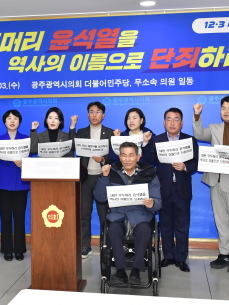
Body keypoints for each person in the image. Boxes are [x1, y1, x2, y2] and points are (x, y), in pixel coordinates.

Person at [94, 142, 162, 285]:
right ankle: (120, 270)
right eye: (124, 155)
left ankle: (136, 271)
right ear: (119, 157)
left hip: (140, 216)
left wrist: (152, 204)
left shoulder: (150, 175)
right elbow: (100, 198)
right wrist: (104, 177)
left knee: (145, 229)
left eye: (131, 155)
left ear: (138, 157)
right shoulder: (111, 173)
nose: (127, 159)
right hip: (117, 215)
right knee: (113, 229)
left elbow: (158, 202)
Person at [193, 96, 229, 273]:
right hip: (215, 180)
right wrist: (197, 115)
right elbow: (199, 135)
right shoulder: (214, 128)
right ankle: (224, 253)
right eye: (223, 108)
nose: (226, 111)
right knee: (221, 220)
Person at [142, 107, 199, 272]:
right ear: (164, 122)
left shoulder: (189, 140)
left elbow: (196, 162)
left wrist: (185, 167)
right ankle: (168, 256)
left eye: (176, 119)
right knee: (165, 225)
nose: (172, 123)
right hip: (163, 189)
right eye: (169, 119)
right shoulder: (157, 140)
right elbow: (148, 160)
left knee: (182, 226)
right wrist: (145, 143)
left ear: (182, 123)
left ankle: (181, 259)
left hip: (182, 190)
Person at [75, 101, 114, 259]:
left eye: (98, 112)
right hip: (85, 178)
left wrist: (103, 159)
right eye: (91, 111)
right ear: (87, 114)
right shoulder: (81, 132)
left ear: (103, 115)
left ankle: (106, 245)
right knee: (84, 214)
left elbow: (114, 156)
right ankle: (85, 245)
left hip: (102, 178)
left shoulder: (110, 133)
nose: (94, 115)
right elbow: (73, 149)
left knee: (104, 214)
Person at [0, 109, 30, 261]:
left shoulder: (26, 139)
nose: (12, 121)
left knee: (19, 217)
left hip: (20, 181)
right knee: (5, 216)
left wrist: (24, 163)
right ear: (5, 122)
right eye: (9, 118)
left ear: (19, 121)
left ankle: (19, 249)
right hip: (3, 181)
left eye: (15, 118)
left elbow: (31, 158)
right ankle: (7, 250)